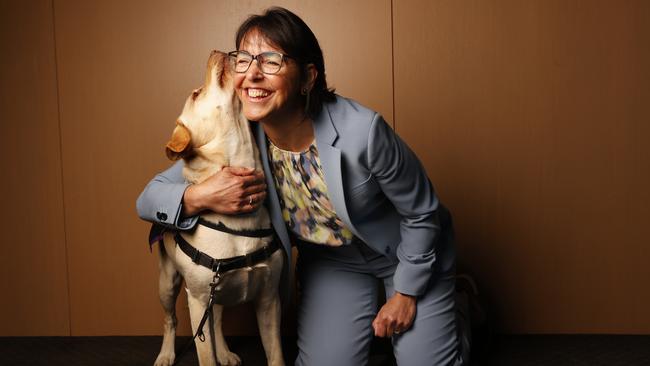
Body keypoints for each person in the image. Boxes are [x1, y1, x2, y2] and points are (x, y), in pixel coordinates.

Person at [137, 7, 470, 366]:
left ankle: (458, 311)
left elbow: (423, 213)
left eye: (271, 61)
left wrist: (406, 292)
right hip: (332, 263)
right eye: (244, 59)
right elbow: (148, 198)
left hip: (403, 253)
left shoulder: (364, 132)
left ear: (308, 77)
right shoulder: (241, 135)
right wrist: (200, 196)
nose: (252, 74)